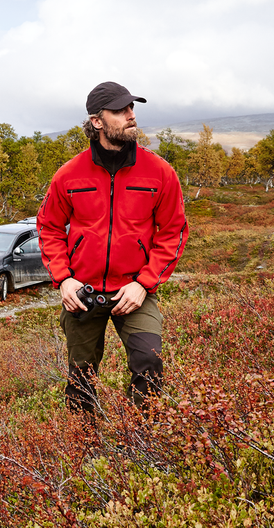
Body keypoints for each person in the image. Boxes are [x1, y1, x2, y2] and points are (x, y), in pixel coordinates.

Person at [37, 81, 187, 416]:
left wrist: (144, 284)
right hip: (83, 292)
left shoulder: (160, 172)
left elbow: (173, 231)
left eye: (131, 108)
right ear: (97, 121)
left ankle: (139, 438)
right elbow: (48, 227)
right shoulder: (69, 174)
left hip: (134, 290)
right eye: (120, 110)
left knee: (149, 362)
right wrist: (64, 279)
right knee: (81, 377)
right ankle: (85, 440)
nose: (131, 115)